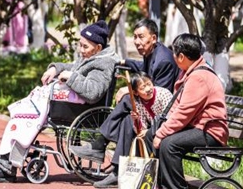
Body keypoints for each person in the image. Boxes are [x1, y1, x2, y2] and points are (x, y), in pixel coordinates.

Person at [0, 21, 117, 183]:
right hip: (71, 105)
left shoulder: (104, 64)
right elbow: (74, 67)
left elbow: (93, 92)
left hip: (79, 109)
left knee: (24, 118)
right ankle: (6, 163)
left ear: (98, 48)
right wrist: (55, 69)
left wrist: (70, 77)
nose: (81, 50)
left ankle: (6, 166)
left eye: (85, 47)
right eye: (80, 45)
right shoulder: (92, 56)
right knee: (22, 118)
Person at [72, 18, 179, 187]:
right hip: (153, 111)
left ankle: (100, 144)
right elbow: (142, 68)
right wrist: (121, 62)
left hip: (164, 117)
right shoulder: (152, 53)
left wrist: (129, 90)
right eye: (135, 37)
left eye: (141, 37)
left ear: (154, 38)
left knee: (128, 99)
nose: (137, 41)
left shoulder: (163, 60)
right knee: (128, 120)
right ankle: (117, 170)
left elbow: (157, 95)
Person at [143, 33, 228, 189]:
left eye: (174, 53)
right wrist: (160, 130)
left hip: (210, 130)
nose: (173, 57)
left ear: (181, 56)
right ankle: (159, 183)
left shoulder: (199, 77)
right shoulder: (189, 72)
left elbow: (183, 113)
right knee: (151, 135)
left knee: (169, 144)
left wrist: (162, 134)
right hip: (196, 126)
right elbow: (177, 107)